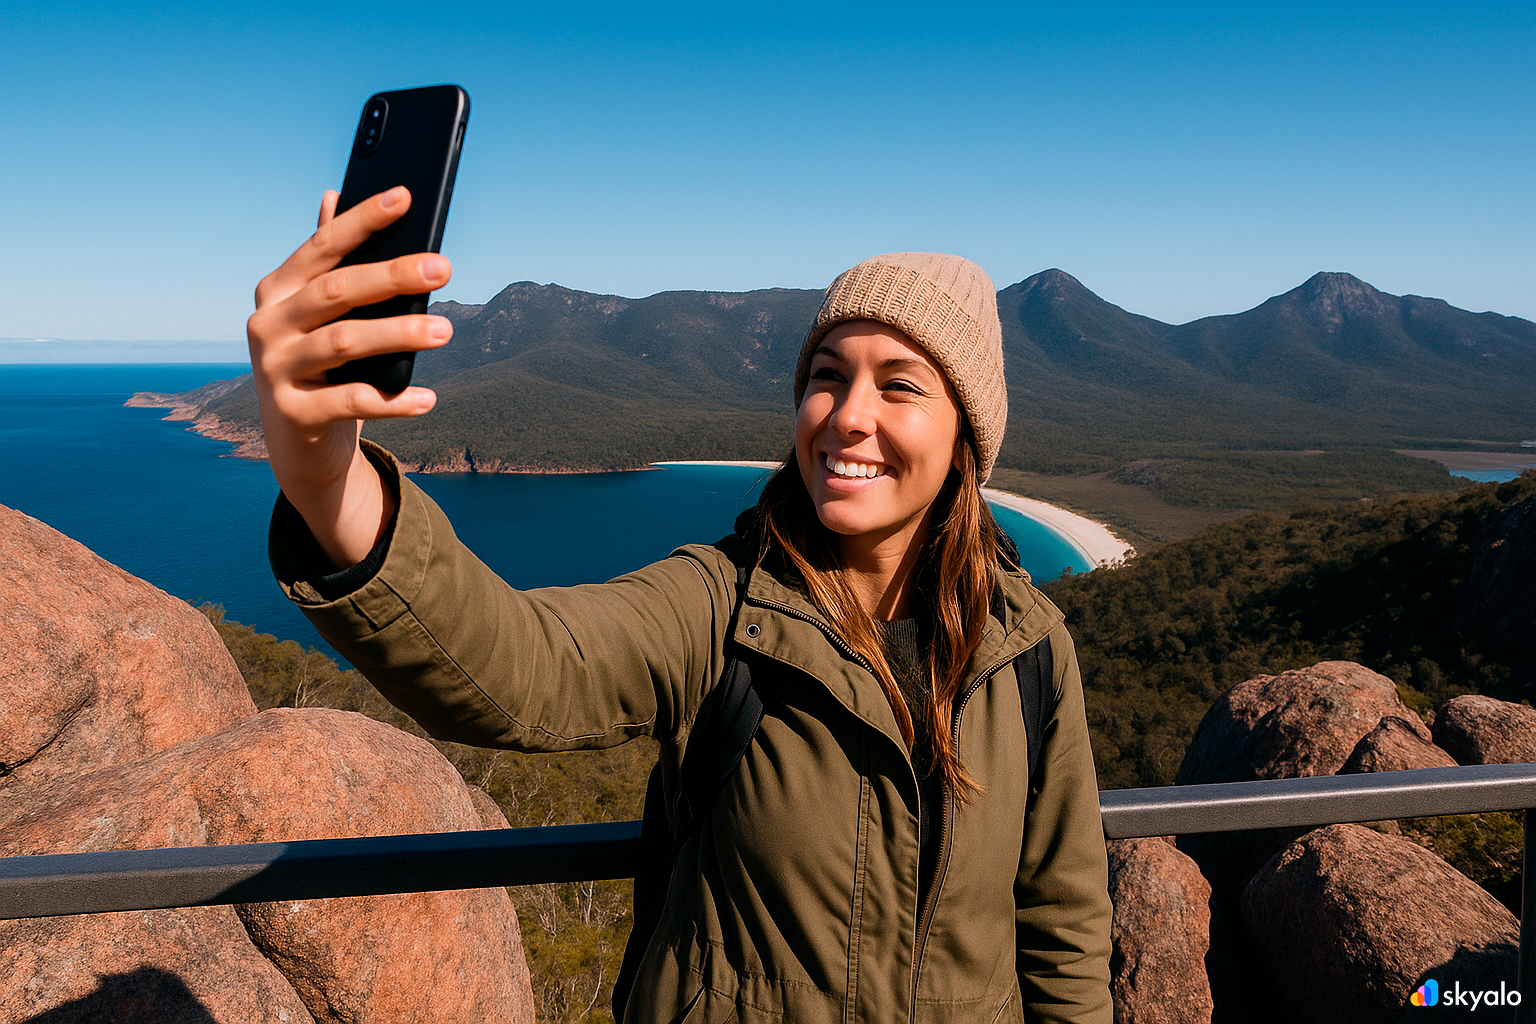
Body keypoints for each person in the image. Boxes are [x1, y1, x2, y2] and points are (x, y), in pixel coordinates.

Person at [248, 186, 1112, 1023]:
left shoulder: (1027, 651)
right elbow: (524, 667)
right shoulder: (724, 609)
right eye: (826, 375)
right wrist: (328, 481)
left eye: (899, 385)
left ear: (967, 431)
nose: (848, 416)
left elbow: (1062, 930)